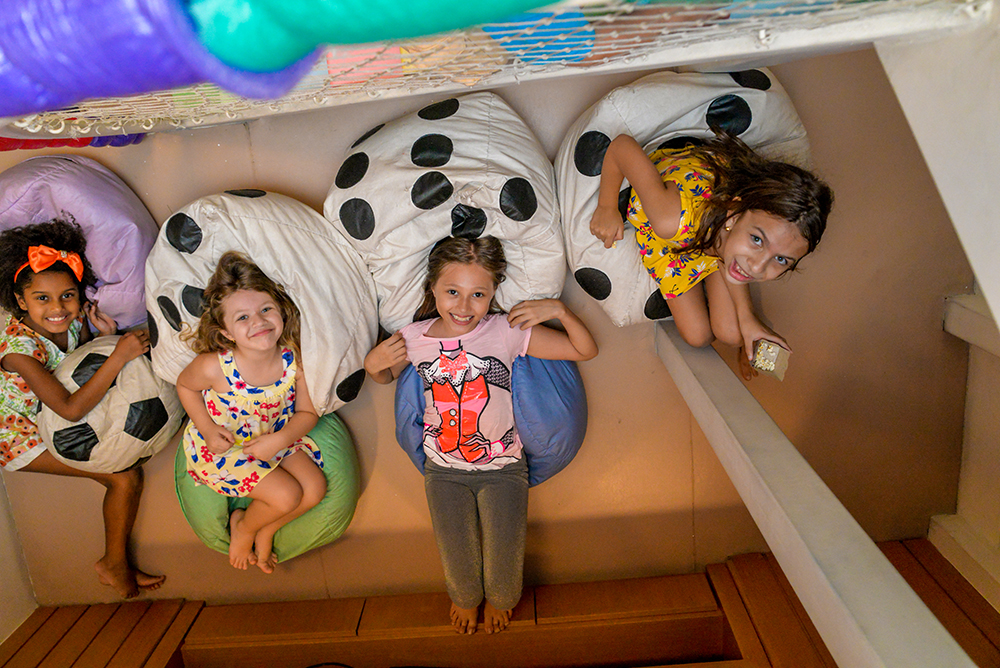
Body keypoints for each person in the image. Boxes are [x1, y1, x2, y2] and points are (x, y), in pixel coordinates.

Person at [365, 236, 598, 635]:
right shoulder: (414, 337)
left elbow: (584, 349)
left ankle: (500, 602)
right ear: (432, 288)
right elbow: (385, 376)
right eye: (452, 292)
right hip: (442, 469)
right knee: (460, 574)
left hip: (503, 467)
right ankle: (465, 601)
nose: (463, 306)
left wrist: (558, 310)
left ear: (493, 294)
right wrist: (373, 365)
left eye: (478, 294)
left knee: (505, 582)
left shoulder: (505, 330)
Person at [0, 218, 164, 598]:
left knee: (125, 472)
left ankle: (113, 561)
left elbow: (75, 366)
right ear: (21, 302)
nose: (57, 308)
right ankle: (113, 563)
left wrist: (103, 339)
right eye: (42, 299)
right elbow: (71, 409)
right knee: (123, 476)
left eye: (67, 295)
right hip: (19, 437)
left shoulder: (72, 322)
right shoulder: (17, 352)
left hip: (51, 417)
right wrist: (119, 356)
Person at [590, 131, 832, 374]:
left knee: (733, 333)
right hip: (677, 233)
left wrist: (747, 317)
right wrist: (607, 206)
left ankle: (746, 334)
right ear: (734, 215)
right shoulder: (669, 219)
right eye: (757, 240)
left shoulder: (738, 240)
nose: (757, 267)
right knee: (698, 336)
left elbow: (739, 259)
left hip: (718, 237)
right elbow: (622, 146)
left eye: (781, 259)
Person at [176, 251, 325, 574]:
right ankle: (243, 527)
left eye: (266, 309)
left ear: (280, 311)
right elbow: (185, 387)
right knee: (287, 495)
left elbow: (307, 413)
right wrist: (205, 427)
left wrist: (280, 440)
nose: (258, 321)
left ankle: (266, 529)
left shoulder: (294, 358)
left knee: (314, 490)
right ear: (226, 331)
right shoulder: (215, 366)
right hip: (228, 449)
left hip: (275, 437)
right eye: (242, 317)